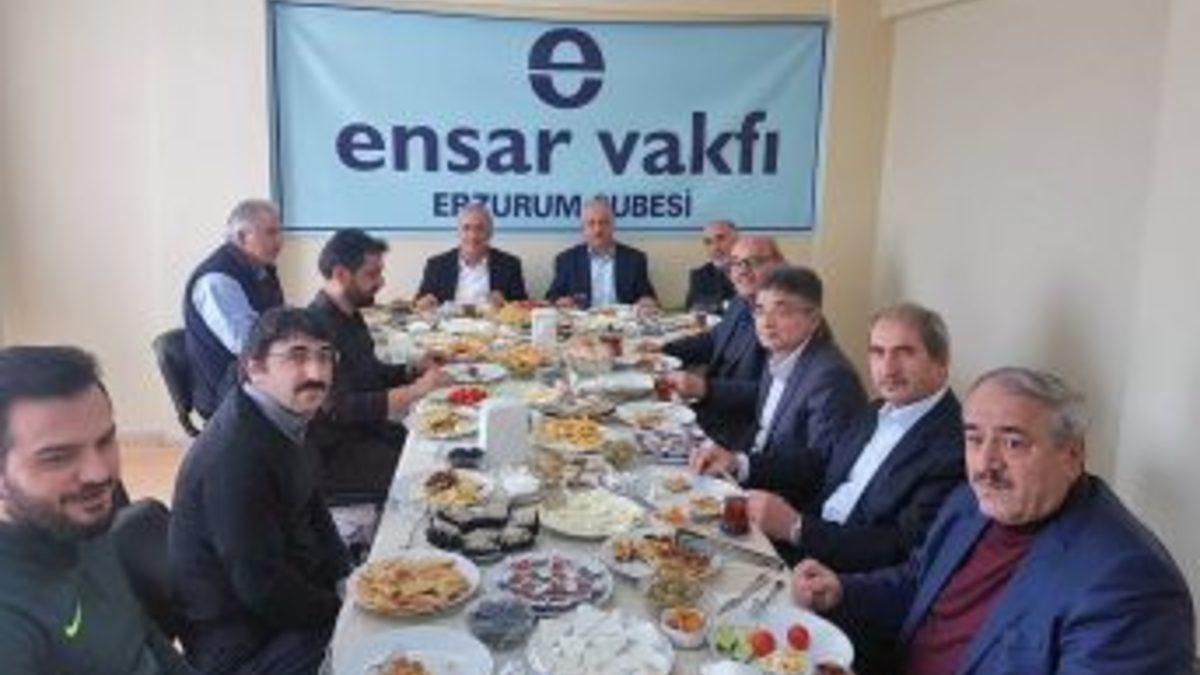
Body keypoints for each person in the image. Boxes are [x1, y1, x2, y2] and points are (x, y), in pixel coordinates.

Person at [792, 367, 1195, 675]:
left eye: (1013, 443)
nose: (985, 464)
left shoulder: (1129, 583)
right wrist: (842, 590)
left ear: (1072, 456)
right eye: (974, 438)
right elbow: (918, 582)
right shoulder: (970, 502)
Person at [170, 308, 351, 675]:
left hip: (277, 603)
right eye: (297, 356)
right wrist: (343, 609)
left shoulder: (285, 415)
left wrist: (346, 575)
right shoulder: (236, 457)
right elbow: (263, 587)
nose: (316, 373)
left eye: (324, 356)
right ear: (254, 368)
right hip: (244, 645)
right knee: (384, 642)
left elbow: (313, 504)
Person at [0, 346, 193, 674]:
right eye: (57, 457)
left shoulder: (80, 524)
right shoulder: (10, 626)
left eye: (105, 442)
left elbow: (146, 640)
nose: (99, 473)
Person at [745, 303, 965, 572]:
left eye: (904, 353)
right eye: (878, 352)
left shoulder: (954, 448)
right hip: (803, 543)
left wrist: (796, 528)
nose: (888, 369)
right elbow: (821, 465)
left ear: (941, 362)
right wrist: (741, 464)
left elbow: (900, 547)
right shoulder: (877, 409)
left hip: (841, 577)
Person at [691, 266, 867, 507]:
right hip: (754, 475)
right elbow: (762, 430)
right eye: (760, 310)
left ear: (814, 319)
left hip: (783, 502)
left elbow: (820, 464)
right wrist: (723, 450)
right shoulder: (780, 353)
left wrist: (741, 464)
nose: (766, 323)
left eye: (781, 312)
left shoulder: (831, 377)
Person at [308, 229, 448, 498]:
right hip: (338, 452)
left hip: (368, 432)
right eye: (372, 274)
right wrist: (416, 390)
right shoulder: (316, 329)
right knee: (432, 476)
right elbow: (338, 407)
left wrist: (413, 369)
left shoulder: (350, 314)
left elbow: (369, 374)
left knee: (438, 447)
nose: (381, 282)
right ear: (341, 274)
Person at [662, 236, 784, 448]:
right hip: (711, 413)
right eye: (736, 263)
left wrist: (705, 388)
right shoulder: (740, 301)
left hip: (742, 434)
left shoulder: (784, 319)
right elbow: (713, 340)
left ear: (778, 265)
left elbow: (774, 394)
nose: (741, 271)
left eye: (753, 262)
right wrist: (663, 349)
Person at [183, 199, 285, 417]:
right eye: (271, 233)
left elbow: (277, 322)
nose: (279, 241)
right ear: (242, 237)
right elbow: (248, 344)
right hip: (227, 392)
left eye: (279, 232)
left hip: (255, 379)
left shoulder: (262, 270)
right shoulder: (217, 279)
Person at [545, 197, 657, 308]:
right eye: (591, 223)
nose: (598, 230)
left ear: (613, 226)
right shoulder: (566, 260)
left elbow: (647, 295)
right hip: (582, 319)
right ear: (583, 228)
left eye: (603, 223)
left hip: (623, 319)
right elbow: (552, 297)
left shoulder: (635, 259)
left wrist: (647, 301)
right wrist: (559, 301)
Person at [414, 202, 528, 310]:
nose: (473, 236)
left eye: (480, 228)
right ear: (458, 232)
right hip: (447, 324)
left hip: (492, 324)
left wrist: (505, 304)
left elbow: (523, 308)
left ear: (490, 233)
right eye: (466, 228)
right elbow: (419, 303)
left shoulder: (510, 265)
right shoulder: (436, 265)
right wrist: (424, 304)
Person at [684, 219, 738, 312]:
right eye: (708, 242)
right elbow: (693, 308)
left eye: (721, 239)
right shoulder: (700, 275)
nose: (715, 247)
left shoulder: (755, 270)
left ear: (736, 240)